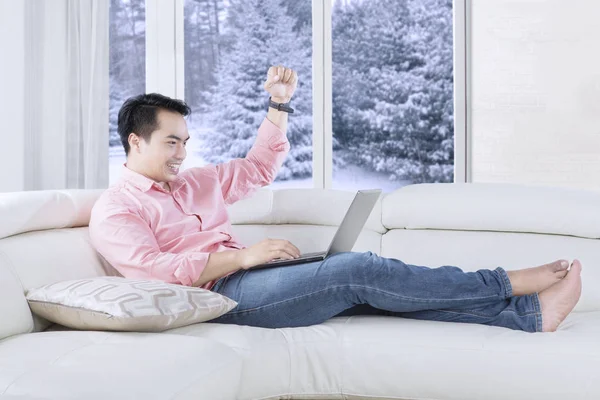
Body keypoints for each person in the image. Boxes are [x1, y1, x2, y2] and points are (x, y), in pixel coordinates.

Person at [89, 65, 582, 333]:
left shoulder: (199, 181)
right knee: (357, 269)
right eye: (170, 142)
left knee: (369, 290)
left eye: (185, 141)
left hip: (252, 277)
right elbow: (151, 271)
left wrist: (278, 106)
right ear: (136, 141)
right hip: (216, 298)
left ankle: (526, 316)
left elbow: (260, 166)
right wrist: (239, 256)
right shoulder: (117, 208)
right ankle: (505, 283)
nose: (181, 153)